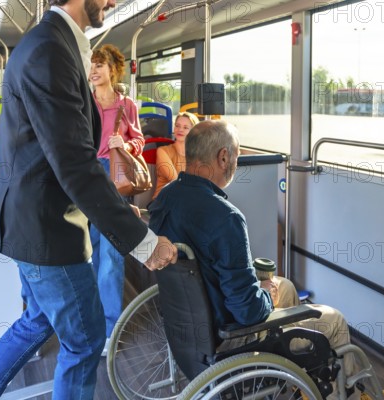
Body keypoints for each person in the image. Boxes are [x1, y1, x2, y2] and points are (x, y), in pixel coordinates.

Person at [0, 1, 177, 399]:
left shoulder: (54, 45)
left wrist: (116, 207)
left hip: (33, 222)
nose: (111, 2)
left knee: (37, 321)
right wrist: (144, 243)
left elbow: (52, 151)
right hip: (48, 230)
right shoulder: (50, 51)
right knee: (86, 341)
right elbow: (74, 163)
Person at [149, 120, 354, 375]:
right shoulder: (225, 217)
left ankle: (295, 382)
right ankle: (348, 391)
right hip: (231, 339)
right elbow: (247, 311)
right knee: (334, 319)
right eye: (235, 155)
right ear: (223, 157)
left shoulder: (165, 198)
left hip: (189, 328)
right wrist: (265, 293)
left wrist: (265, 290)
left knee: (286, 287)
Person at [89, 43, 146, 341]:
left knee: (112, 253)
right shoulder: (83, 102)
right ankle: (95, 317)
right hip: (85, 176)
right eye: (92, 65)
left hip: (114, 176)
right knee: (90, 248)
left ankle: (111, 330)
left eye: (100, 64)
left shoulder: (127, 105)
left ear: (113, 69)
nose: (94, 70)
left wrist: (125, 146)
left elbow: (139, 141)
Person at [152, 111, 199, 199]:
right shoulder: (163, 151)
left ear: (193, 132)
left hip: (186, 201)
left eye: (185, 127)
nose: (180, 130)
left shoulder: (197, 156)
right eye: (177, 126)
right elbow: (176, 182)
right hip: (162, 202)